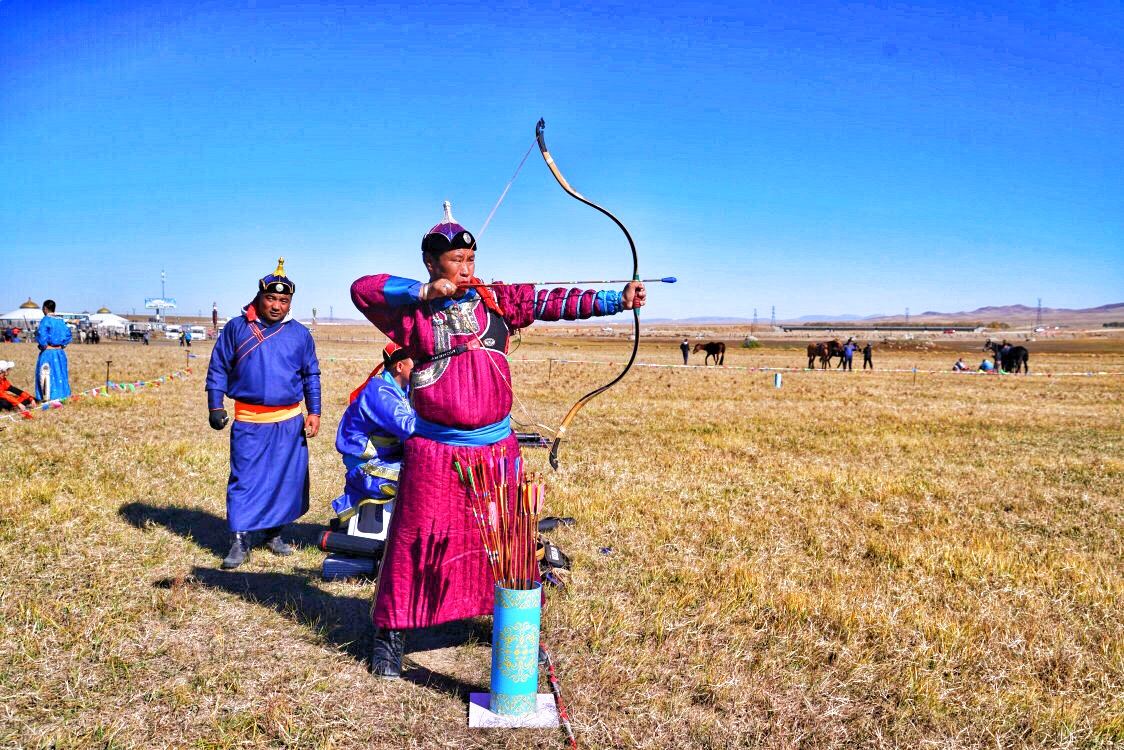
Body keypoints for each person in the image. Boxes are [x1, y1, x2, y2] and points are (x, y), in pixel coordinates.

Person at [350, 202, 646, 678]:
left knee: (507, 542)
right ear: (431, 263)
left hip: (495, 448)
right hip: (435, 450)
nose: (466, 269)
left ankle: (517, 632)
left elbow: (553, 300)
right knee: (413, 540)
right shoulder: (412, 315)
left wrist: (616, 300)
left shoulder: (495, 299)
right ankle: (391, 636)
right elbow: (362, 289)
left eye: (471, 260)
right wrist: (424, 291)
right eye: (455, 262)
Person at [205, 258, 322, 570]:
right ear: (259, 297)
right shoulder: (237, 328)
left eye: (284, 300)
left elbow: (311, 375)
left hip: (289, 421)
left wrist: (315, 412)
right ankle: (240, 539)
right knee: (245, 479)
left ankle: (273, 533)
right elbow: (218, 367)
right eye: (271, 298)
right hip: (250, 420)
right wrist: (215, 405)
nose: (277, 306)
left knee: (286, 480)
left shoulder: (300, 334)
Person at [332, 342, 416, 527]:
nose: (420, 371)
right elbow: (408, 427)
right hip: (366, 467)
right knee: (421, 476)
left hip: (386, 459)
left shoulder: (403, 390)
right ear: (399, 366)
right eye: (415, 365)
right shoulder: (379, 391)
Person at [35, 300, 72, 402]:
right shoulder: (61, 321)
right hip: (60, 353)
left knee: (46, 373)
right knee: (60, 373)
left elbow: (42, 335)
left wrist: (43, 345)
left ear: (45, 308)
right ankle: (62, 396)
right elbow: (68, 334)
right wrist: (62, 345)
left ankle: (48, 397)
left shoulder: (46, 320)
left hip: (48, 352)